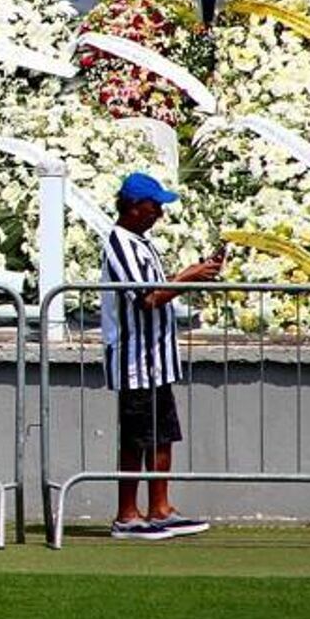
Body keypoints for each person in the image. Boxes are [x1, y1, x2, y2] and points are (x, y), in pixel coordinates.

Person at [103, 172, 222, 541]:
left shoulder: (140, 242)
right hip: (135, 360)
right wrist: (190, 275)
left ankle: (159, 508)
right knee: (136, 439)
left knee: (162, 435)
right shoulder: (118, 243)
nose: (159, 214)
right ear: (135, 207)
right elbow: (148, 298)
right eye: (155, 206)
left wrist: (194, 276)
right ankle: (126, 514)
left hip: (157, 359)